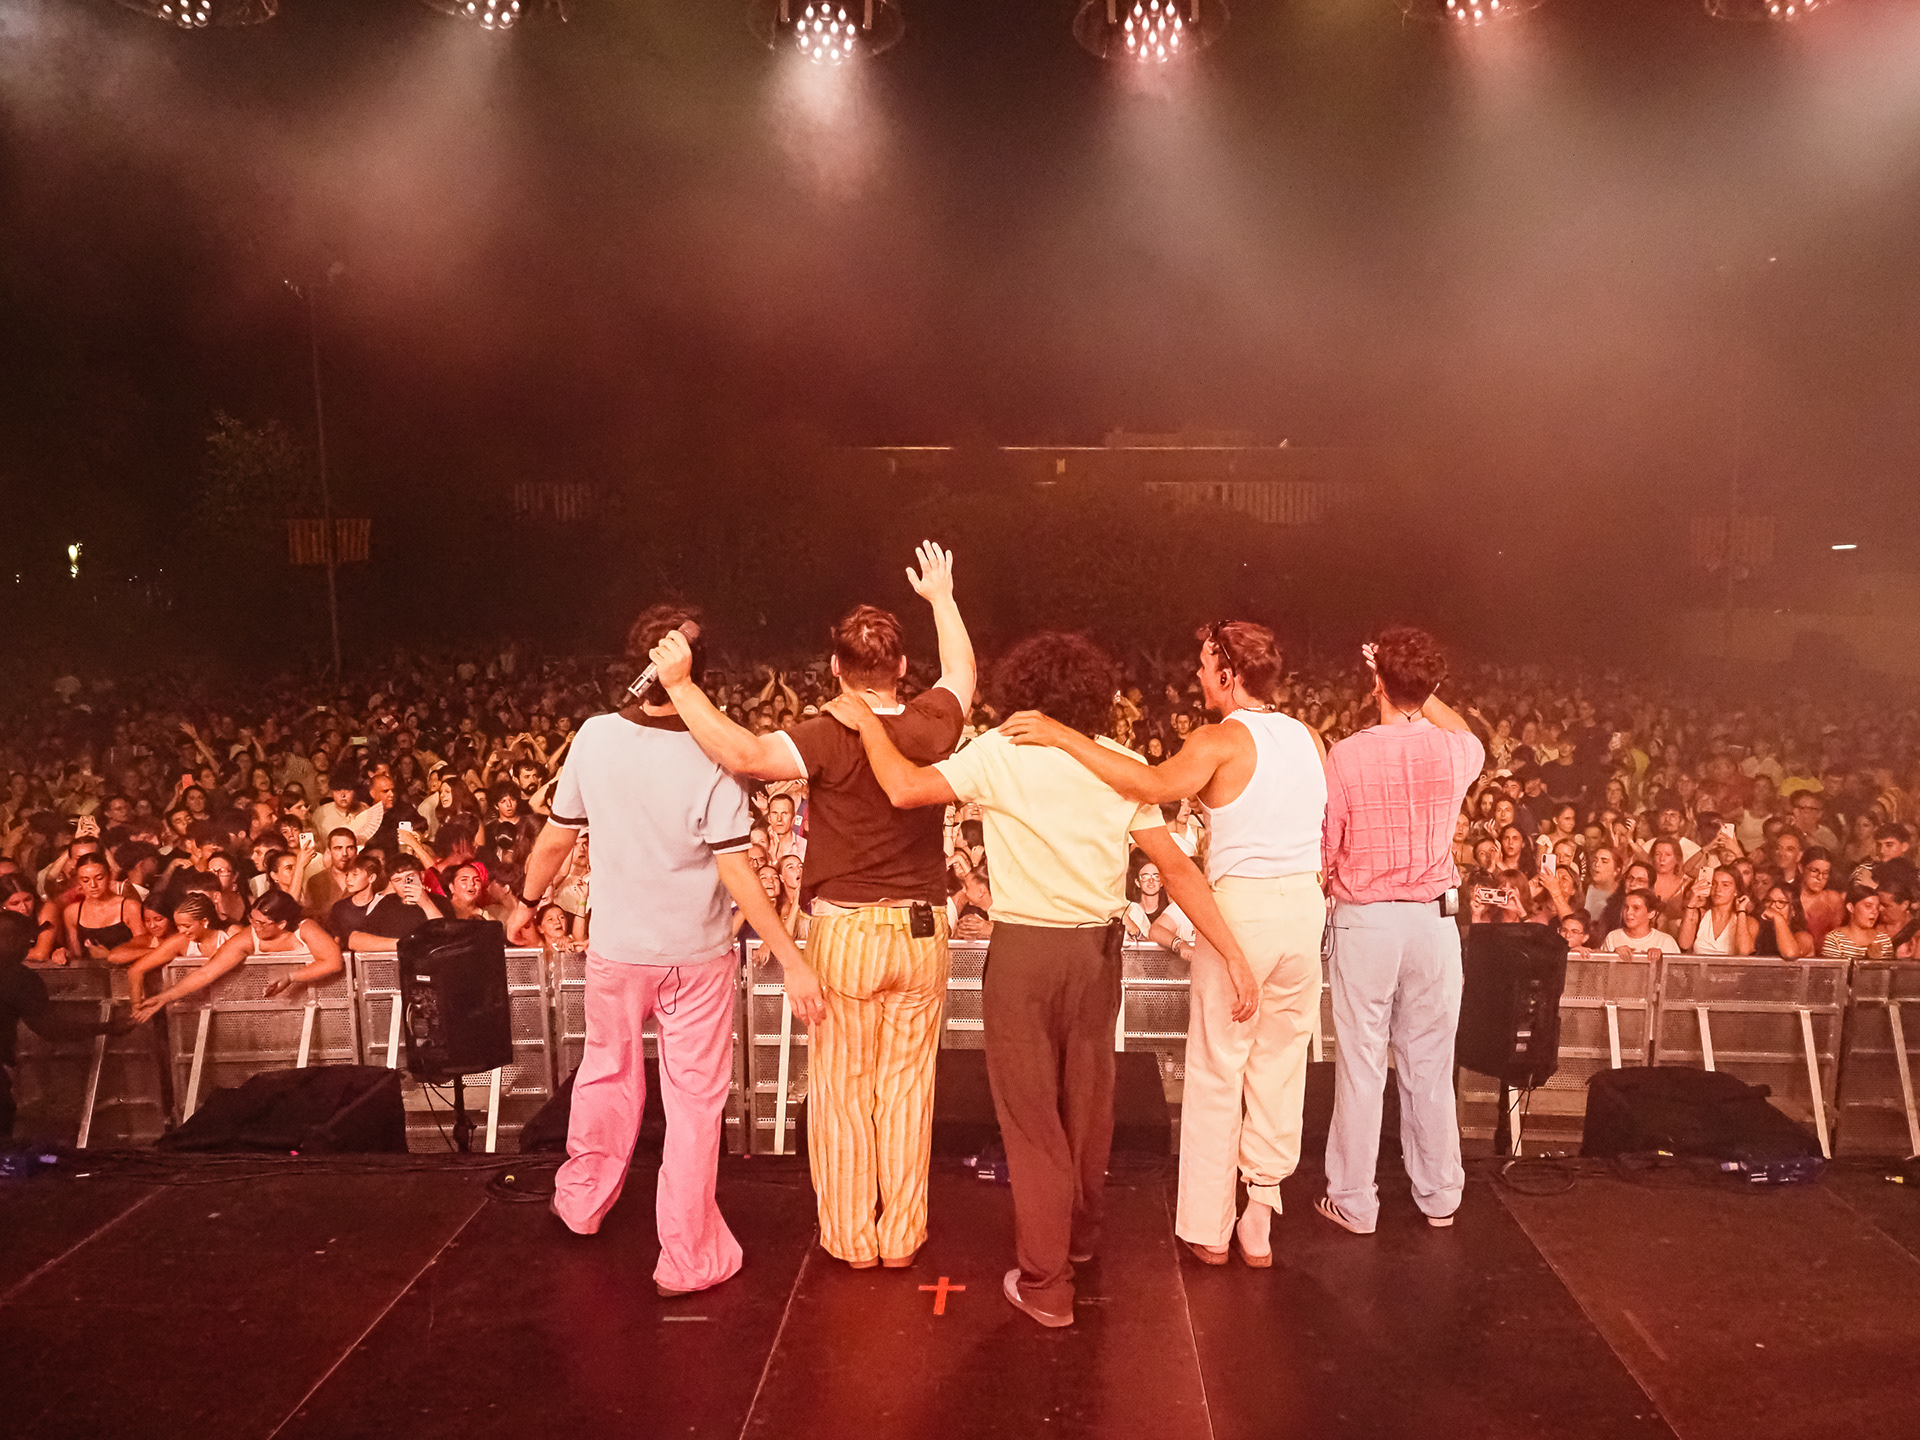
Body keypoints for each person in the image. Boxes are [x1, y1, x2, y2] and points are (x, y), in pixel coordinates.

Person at [827, 630, 1253, 1328]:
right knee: (1088, 1108)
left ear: (1023, 693)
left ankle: (1046, 1282)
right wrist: (1232, 951)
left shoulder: (1002, 750)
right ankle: (1079, 1241)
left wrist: (867, 721)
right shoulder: (1118, 762)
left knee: (1031, 1122)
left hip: (1024, 954)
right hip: (1096, 956)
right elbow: (1177, 869)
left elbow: (903, 788)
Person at [655, 543, 975, 1272]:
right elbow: (961, 671)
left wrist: (681, 685)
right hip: (923, 929)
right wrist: (943, 598)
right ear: (901, 667)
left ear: (835, 668)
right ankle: (901, 1239)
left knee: (843, 1091)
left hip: (848, 932)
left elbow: (742, 754)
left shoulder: (828, 732)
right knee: (906, 1090)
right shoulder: (930, 722)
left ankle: (854, 1241)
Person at [503, 604, 824, 1300]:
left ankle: (582, 1203)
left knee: (606, 1076)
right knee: (693, 1104)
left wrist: (526, 902)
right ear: (696, 673)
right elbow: (737, 870)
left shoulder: (594, 736)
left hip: (616, 950)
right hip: (695, 956)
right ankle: (686, 1256)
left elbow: (557, 837)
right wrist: (792, 958)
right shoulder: (719, 753)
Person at [1001, 619, 1327, 1269]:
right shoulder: (1308, 737)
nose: (1197, 675)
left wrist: (1063, 735)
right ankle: (1260, 1213)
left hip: (1245, 911)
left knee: (1218, 1067)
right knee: (1280, 1065)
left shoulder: (1220, 740)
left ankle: (1210, 1228)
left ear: (1229, 675)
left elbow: (1146, 786)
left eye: (1205, 665)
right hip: (1304, 909)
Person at [1315, 628, 1483, 1238]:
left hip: (1366, 921)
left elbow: (1326, 849)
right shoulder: (1457, 751)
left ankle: (1355, 1202)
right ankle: (1439, 1196)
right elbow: (1464, 728)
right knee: (1431, 1065)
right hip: (1433, 923)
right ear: (1431, 685)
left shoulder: (1345, 755)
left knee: (1361, 1065)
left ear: (1377, 682)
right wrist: (1418, 687)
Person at [0, 912, 130, 1137]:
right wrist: (107, 1027)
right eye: (25, 939)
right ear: (8, 938)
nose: (29, 945)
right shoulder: (18, 978)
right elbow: (51, 1029)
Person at [132, 888, 344, 1022]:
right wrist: (164, 997)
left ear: (281, 924)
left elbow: (333, 962)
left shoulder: (306, 928)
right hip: (279, 1013)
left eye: (261, 923)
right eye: (252, 919)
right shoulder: (248, 937)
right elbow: (207, 973)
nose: (254, 926)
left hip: (326, 1006)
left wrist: (291, 977)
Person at [1678, 866, 1753, 956]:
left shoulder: (1746, 921)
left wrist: (1741, 911)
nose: (1718, 889)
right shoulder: (1699, 915)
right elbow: (1684, 944)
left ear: (1736, 891)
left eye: (1725, 885)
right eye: (1714, 884)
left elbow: (1744, 951)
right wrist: (1691, 903)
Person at [1819, 884, 1893, 961]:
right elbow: (1834, 969)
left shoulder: (1884, 940)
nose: (1875, 912)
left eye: (1877, 908)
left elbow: (1888, 968)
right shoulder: (1835, 940)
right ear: (1851, 908)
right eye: (1868, 906)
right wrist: (1868, 958)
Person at [1604, 890, 1682, 957]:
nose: (1628, 912)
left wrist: (1661, 960)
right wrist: (1614, 955)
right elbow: (1602, 968)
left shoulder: (1666, 942)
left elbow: (1677, 969)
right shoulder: (1612, 937)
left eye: (1636, 908)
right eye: (1626, 907)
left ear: (1651, 913)